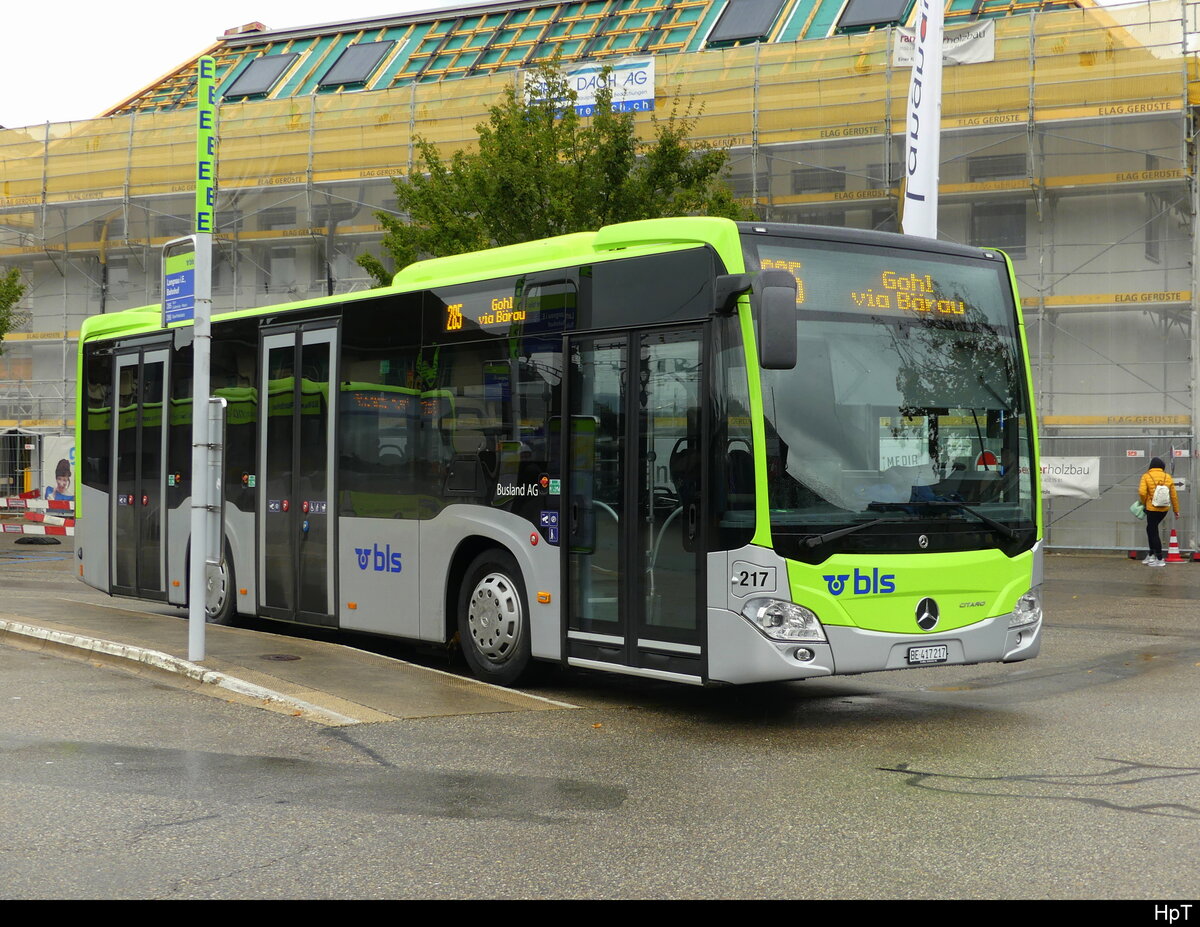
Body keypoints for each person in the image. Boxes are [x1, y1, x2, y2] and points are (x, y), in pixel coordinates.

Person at [1139, 457, 1179, 565]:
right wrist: (1176, 510)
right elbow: (1174, 496)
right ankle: (1151, 554)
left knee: (1153, 531)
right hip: (1164, 508)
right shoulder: (1168, 477)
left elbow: (1142, 492)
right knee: (1150, 529)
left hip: (1151, 508)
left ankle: (1160, 558)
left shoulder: (1146, 476)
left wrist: (1145, 502)